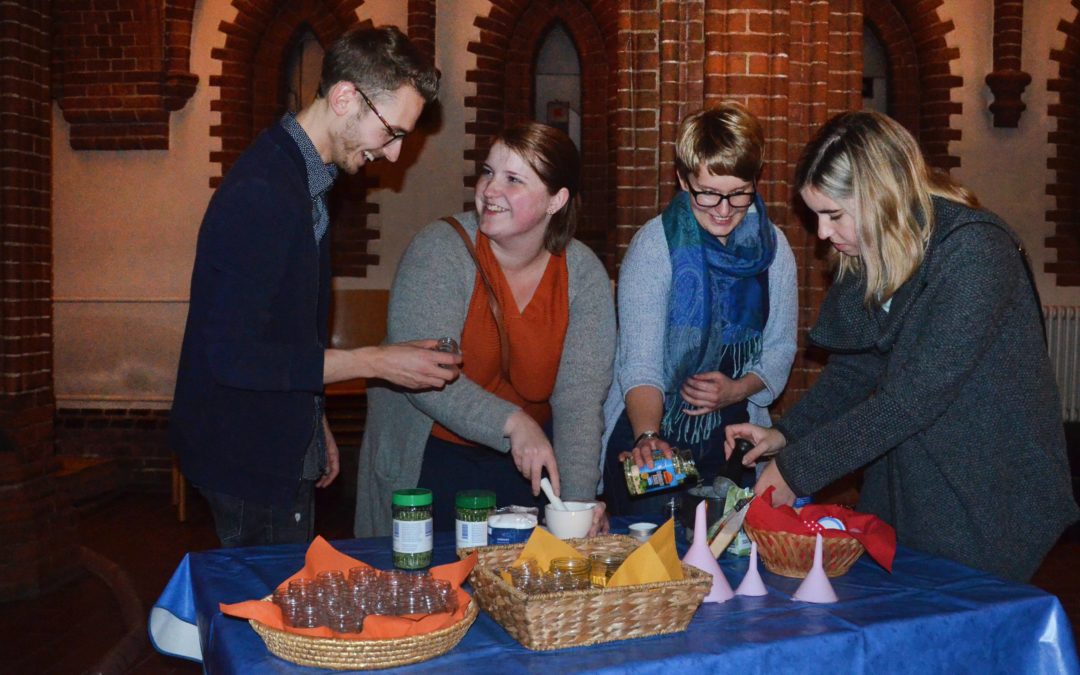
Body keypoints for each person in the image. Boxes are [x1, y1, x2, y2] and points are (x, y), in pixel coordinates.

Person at [726, 110, 1079, 582]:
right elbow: (855, 370)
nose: (823, 233)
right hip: (917, 479)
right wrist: (788, 434)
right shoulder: (874, 249)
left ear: (881, 198)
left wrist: (795, 471)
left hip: (989, 491)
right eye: (817, 215)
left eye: (834, 214)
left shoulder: (975, 252)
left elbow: (910, 401)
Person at [170, 26, 461, 548]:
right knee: (270, 620)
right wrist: (376, 361)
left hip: (276, 435)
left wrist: (312, 417)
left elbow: (288, 332)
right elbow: (233, 358)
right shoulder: (262, 192)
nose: (395, 156)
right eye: (392, 132)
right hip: (245, 454)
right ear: (346, 97)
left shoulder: (306, 179)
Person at [354, 122, 615, 537]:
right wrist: (513, 423)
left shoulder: (582, 275)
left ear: (556, 200)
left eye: (513, 179)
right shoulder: (439, 251)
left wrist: (579, 506)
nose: (491, 190)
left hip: (527, 466)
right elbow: (425, 373)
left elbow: (580, 404)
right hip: (430, 460)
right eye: (489, 172)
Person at [601, 102, 798, 516]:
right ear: (683, 180)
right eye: (708, 193)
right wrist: (648, 438)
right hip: (656, 430)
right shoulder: (655, 246)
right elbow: (640, 364)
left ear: (755, 181)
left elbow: (779, 349)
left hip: (736, 436)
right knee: (659, 548)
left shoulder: (774, 250)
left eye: (738, 193)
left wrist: (737, 388)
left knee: (732, 551)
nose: (724, 210)